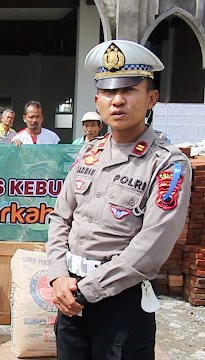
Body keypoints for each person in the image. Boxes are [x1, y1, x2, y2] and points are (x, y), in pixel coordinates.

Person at [46, 39, 191, 359]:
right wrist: (58, 275)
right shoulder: (89, 152)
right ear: (97, 100)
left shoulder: (167, 163)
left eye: (129, 90)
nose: (118, 101)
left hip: (120, 302)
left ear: (151, 98)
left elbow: (150, 249)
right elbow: (60, 218)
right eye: (109, 92)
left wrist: (86, 291)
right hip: (70, 296)